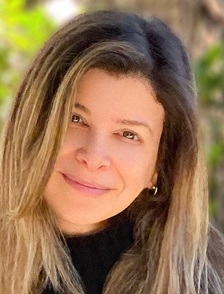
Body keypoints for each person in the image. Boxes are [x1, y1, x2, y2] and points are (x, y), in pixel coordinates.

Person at [0, 10, 223, 294]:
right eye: (74, 118)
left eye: (128, 135)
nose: (93, 157)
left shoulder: (208, 279)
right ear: (31, 121)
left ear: (159, 165)